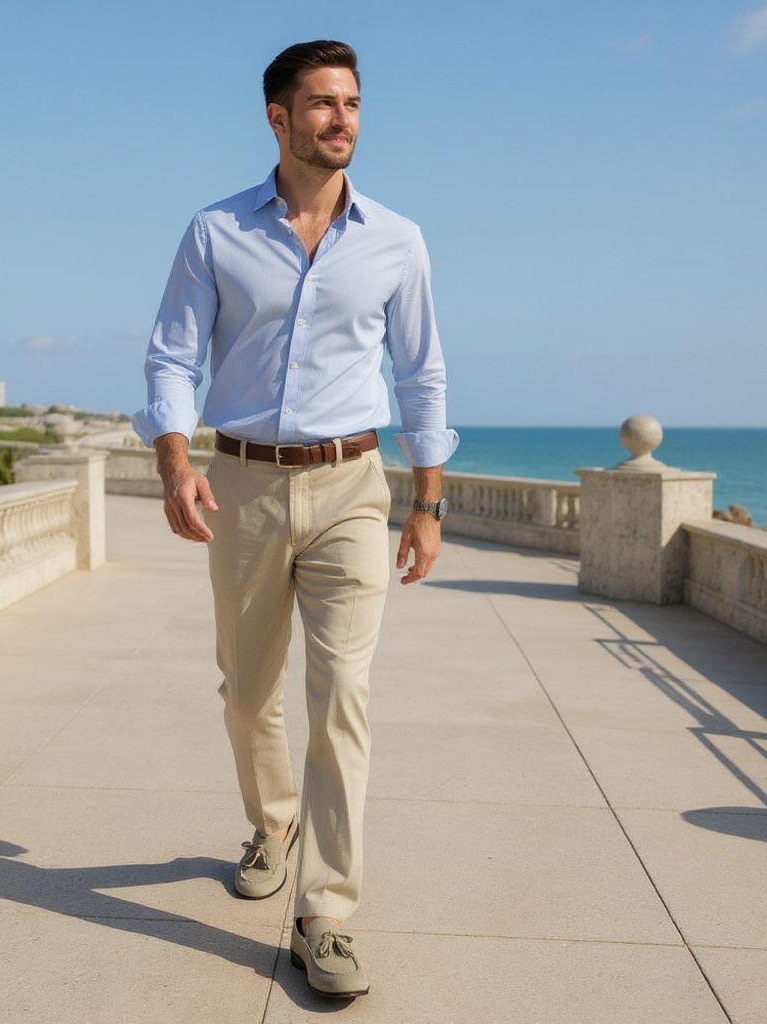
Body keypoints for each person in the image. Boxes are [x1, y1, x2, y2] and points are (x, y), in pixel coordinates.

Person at [133, 39, 458, 999]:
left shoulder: (398, 240)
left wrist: (429, 502)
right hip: (245, 484)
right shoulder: (215, 232)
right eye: (321, 103)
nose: (342, 119)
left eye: (352, 102)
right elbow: (170, 357)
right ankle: (271, 822)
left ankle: (327, 911)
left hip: (355, 485)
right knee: (246, 689)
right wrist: (176, 460)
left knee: (342, 696)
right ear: (278, 118)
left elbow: (422, 373)